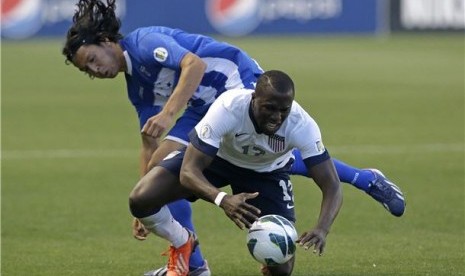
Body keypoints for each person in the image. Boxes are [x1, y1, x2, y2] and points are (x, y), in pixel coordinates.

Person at [62, 0, 405, 275]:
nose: (95, 69)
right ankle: (192, 265)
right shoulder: (136, 86)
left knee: (268, 152)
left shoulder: (143, 43)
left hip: (235, 84)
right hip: (200, 106)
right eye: (86, 70)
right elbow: (149, 144)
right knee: (163, 168)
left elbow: (193, 66)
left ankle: (364, 178)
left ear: (107, 42)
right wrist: (148, 209)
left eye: (92, 58)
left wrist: (168, 114)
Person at [129, 70, 343, 276]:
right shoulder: (229, 106)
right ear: (253, 98)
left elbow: (332, 185)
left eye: (283, 110)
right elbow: (188, 170)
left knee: (282, 267)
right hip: (217, 160)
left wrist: (322, 229)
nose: (277, 117)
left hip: (266, 174)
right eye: (269, 108)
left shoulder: (302, 125)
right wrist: (223, 199)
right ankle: (183, 241)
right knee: (141, 199)